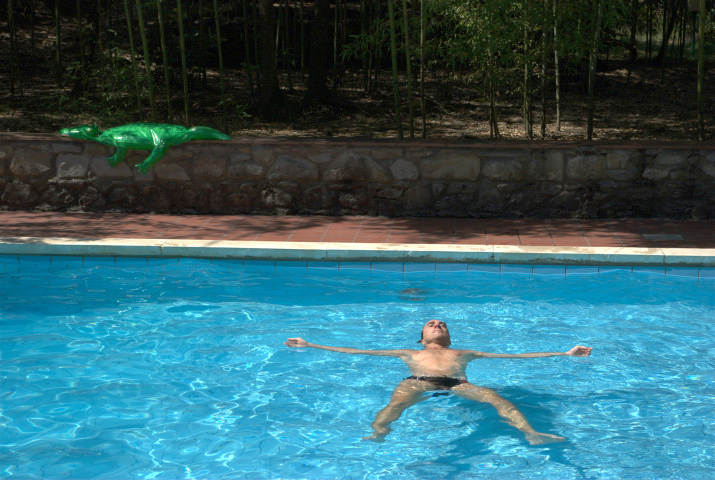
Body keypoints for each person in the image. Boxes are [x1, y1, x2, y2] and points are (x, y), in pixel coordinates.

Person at [285, 319, 592, 445]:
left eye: (442, 324)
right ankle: (378, 433)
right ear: (422, 338)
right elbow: (361, 350)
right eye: (431, 324)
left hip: (458, 383)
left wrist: (564, 354)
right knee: (395, 405)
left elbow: (513, 356)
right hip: (417, 381)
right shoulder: (409, 352)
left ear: (449, 336)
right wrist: (311, 345)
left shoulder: (464, 352)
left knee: (499, 400)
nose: (437, 325)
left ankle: (531, 433)